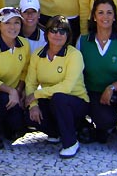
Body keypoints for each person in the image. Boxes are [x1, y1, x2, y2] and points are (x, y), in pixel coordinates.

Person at [78, 0, 117, 155]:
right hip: (95, 93)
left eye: (109, 13)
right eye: (100, 13)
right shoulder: (83, 41)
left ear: (114, 17)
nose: (105, 17)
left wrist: (112, 87)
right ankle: (107, 126)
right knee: (105, 121)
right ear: (94, 16)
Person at [24, 16, 89, 159]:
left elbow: (66, 87)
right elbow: (30, 83)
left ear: (68, 35)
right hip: (51, 100)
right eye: (53, 30)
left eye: (62, 31)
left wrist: (37, 95)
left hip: (75, 102)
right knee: (26, 110)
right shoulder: (38, 54)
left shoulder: (74, 55)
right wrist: (33, 105)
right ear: (47, 33)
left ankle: (71, 143)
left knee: (59, 98)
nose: (58, 34)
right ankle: (55, 132)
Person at [0, 7, 31, 149]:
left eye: (17, 22)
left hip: (16, 92)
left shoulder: (24, 44)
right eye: (7, 23)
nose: (13, 27)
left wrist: (20, 90)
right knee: (2, 100)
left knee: (16, 125)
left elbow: (26, 71)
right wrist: (11, 91)